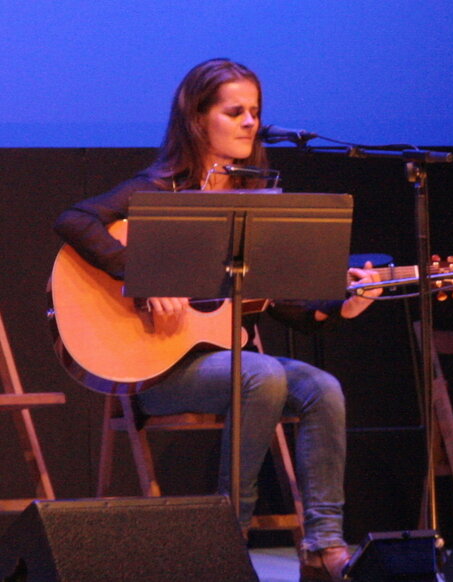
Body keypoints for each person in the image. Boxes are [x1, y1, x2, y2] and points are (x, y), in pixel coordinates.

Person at [54, 58, 382, 582]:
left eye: (255, 111)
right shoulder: (160, 189)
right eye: (235, 112)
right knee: (262, 374)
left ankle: (324, 546)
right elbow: (75, 219)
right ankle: (228, 539)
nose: (251, 122)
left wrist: (343, 303)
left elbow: (282, 303)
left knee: (323, 387)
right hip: (157, 369)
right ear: (197, 118)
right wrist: (145, 277)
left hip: (231, 364)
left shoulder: (257, 200)